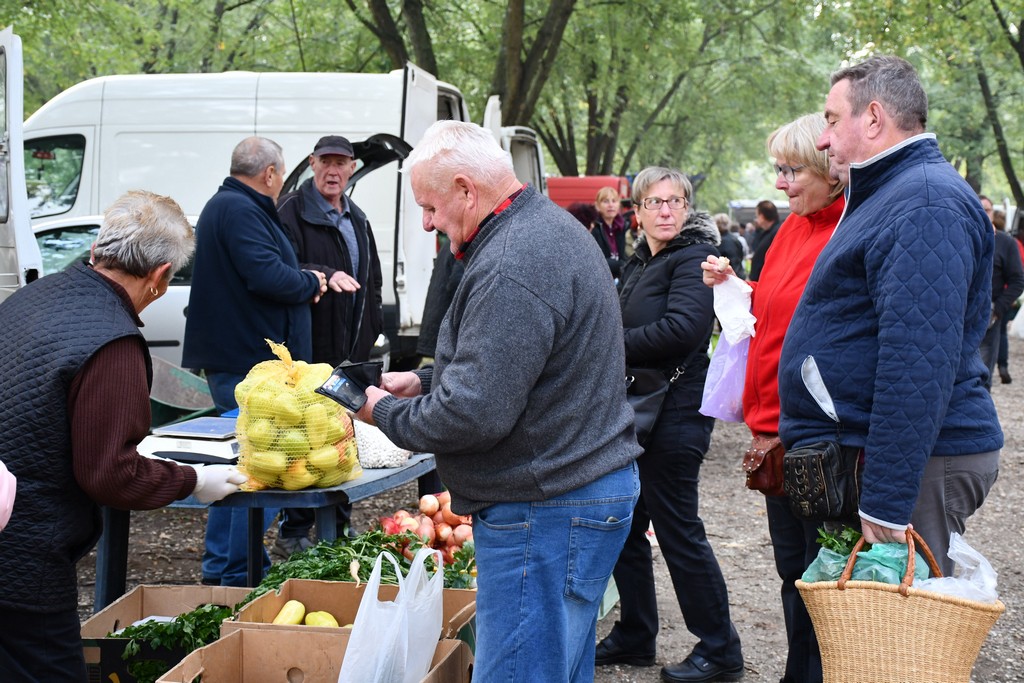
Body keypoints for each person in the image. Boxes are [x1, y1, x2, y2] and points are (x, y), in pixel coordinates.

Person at [355, 120, 641, 683]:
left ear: (466, 189)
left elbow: (474, 415)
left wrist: (379, 413)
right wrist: (431, 381)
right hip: (574, 494)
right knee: (555, 667)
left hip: (546, 507)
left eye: (430, 206)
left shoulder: (513, 260)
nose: (427, 222)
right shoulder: (543, 230)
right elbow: (530, 368)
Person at [0, 191, 246, 680]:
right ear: (160, 276)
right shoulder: (112, 340)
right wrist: (193, 480)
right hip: (25, 561)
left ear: (98, 250)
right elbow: (110, 475)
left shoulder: (29, 298)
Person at [779, 55, 1002, 573]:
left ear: (873, 119)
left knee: (900, 640)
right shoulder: (896, 194)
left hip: (921, 461)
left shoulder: (924, 202)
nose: (822, 139)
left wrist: (885, 495)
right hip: (891, 455)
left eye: (832, 120)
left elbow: (918, 360)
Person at [703, 113, 845, 683]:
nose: (781, 184)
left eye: (793, 170)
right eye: (779, 170)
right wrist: (737, 285)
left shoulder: (845, 229)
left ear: (832, 170)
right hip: (775, 432)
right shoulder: (790, 228)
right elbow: (776, 303)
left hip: (814, 434)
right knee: (793, 568)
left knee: (820, 572)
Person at [597, 167, 744, 683]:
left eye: (674, 201)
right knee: (628, 524)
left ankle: (721, 649)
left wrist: (604, 346)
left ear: (686, 209)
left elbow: (684, 330)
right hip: (638, 409)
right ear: (636, 211)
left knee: (678, 528)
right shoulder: (640, 261)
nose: (665, 210)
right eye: (654, 202)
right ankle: (637, 633)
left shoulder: (693, 258)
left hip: (678, 410)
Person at [182, 136, 327, 586]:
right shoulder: (239, 209)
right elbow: (265, 275)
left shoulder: (235, 207)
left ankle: (239, 567)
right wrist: (309, 281)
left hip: (250, 363)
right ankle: (229, 573)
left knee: (250, 466)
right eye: (281, 174)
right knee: (253, 468)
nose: (281, 183)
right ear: (269, 174)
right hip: (245, 365)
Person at [275, 134, 385, 554]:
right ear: (312, 164)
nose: (333, 170)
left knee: (342, 438)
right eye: (326, 162)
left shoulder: (358, 218)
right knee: (303, 440)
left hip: (350, 353)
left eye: (342, 163)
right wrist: (322, 271)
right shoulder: (291, 212)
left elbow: (371, 280)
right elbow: (281, 268)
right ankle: (294, 531)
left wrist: (371, 328)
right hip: (307, 351)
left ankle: (337, 525)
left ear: (352, 168)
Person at [978, 195, 1024, 389]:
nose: (981, 213)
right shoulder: (959, 237)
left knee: (980, 379)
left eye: (986, 210)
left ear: (992, 214)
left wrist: (998, 308)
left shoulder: (1006, 243)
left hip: (988, 316)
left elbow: (1017, 280)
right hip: (956, 317)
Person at [593, 186, 627, 279]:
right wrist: (618, 265)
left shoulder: (624, 226)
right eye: (606, 201)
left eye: (614, 201)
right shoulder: (594, 228)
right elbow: (596, 261)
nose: (611, 205)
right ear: (597, 206)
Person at [747, 199, 781, 281]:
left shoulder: (777, 233)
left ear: (762, 216)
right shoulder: (768, 232)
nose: (757, 219)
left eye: (757, 216)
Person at [713, 212, 747, 280]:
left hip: (727, 276)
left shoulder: (718, 242)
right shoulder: (736, 239)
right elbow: (741, 255)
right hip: (739, 274)